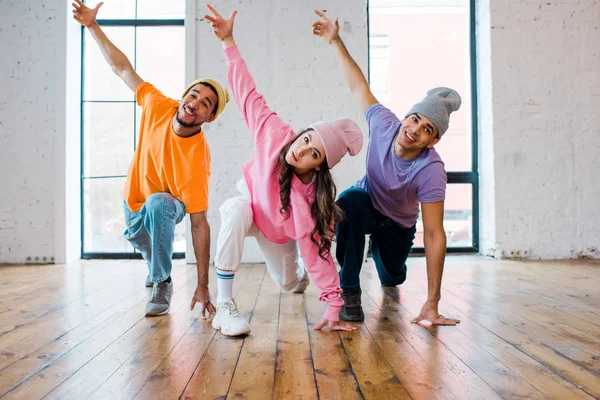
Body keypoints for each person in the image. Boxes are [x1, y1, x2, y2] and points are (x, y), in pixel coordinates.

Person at [204, 5, 362, 336]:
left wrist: (334, 305)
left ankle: (295, 275)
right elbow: (247, 93)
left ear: (318, 167)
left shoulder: (308, 203)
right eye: (305, 139)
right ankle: (225, 306)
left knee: (289, 284)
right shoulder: (277, 136)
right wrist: (228, 41)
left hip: (277, 232)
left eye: (312, 153)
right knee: (233, 209)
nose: (300, 150)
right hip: (251, 205)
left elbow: (320, 253)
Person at [73, 0, 230, 317]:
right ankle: (153, 264)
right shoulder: (159, 104)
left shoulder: (198, 159)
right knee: (142, 240)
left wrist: (203, 285)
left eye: (205, 104)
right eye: (194, 95)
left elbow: (199, 225)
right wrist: (92, 26)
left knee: (159, 203)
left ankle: (162, 282)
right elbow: (122, 69)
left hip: (167, 208)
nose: (195, 104)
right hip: (133, 205)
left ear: (209, 117)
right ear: (184, 96)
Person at [312, 10, 462, 326]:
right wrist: (335, 41)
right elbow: (358, 86)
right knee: (348, 205)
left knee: (392, 278)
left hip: (398, 225)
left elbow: (434, 233)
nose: (415, 129)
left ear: (432, 142)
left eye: (427, 129)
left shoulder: (431, 170)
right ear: (407, 116)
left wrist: (432, 301)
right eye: (416, 119)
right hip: (367, 203)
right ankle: (349, 293)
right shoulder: (384, 123)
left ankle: (386, 261)